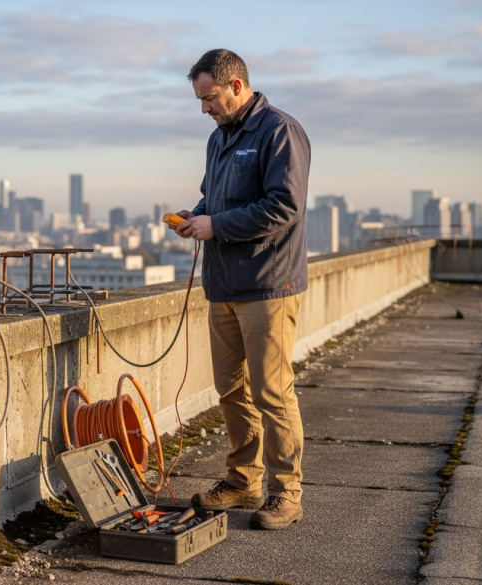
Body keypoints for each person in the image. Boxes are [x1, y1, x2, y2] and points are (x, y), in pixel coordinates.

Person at [173, 49, 310, 530]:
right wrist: (196, 216)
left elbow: (284, 205)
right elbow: (213, 199)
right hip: (224, 284)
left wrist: (217, 225)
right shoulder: (219, 138)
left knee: (272, 392)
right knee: (231, 389)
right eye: (199, 99)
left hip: (267, 283)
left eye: (209, 98)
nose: (204, 108)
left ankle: (285, 492)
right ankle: (243, 480)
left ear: (236, 86)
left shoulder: (279, 130)